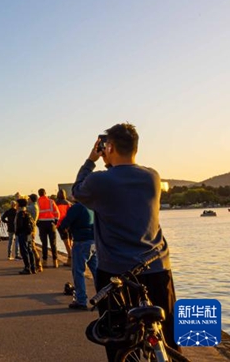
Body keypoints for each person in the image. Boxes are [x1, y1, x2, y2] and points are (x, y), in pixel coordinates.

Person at [72, 123, 179, 359]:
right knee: (169, 336)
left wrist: (91, 160)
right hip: (157, 267)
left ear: (107, 147)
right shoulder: (152, 176)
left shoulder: (100, 181)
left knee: (118, 340)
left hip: (116, 274)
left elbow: (76, 191)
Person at [59, 200, 97, 309]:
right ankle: (103, 298)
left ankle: (81, 300)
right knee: (96, 271)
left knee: (78, 271)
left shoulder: (77, 208)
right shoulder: (93, 206)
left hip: (81, 241)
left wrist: (63, 229)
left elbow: (65, 222)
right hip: (93, 241)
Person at [36, 188, 60, 268]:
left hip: (42, 223)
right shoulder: (51, 201)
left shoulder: (37, 202)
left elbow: (36, 214)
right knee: (53, 243)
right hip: (51, 223)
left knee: (44, 243)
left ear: (39, 194)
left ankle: (45, 261)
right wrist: (56, 222)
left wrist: (37, 223)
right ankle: (55, 261)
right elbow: (57, 212)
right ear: (45, 193)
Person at [14, 198, 37, 274]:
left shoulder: (20, 214)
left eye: (17, 204)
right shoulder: (27, 213)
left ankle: (27, 268)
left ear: (19, 205)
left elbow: (19, 225)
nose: (16, 205)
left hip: (23, 234)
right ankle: (33, 267)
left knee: (24, 250)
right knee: (30, 249)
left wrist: (17, 232)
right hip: (29, 233)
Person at [55, 188, 73, 266]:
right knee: (70, 241)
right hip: (69, 224)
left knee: (66, 241)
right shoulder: (69, 204)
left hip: (60, 224)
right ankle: (71, 257)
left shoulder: (56, 203)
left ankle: (70, 258)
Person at [27, 194, 43, 271]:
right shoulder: (35, 206)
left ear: (32, 199)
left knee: (32, 246)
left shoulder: (32, 207)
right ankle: (37, 264)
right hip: (33, 228)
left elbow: (22, 208)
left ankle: (38, 264)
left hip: (31, 229)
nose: (28, 200)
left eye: (29, 199)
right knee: (32, 246)